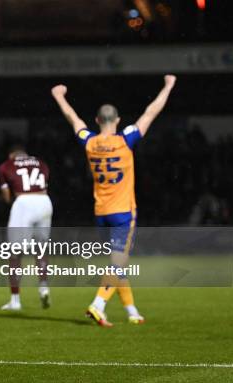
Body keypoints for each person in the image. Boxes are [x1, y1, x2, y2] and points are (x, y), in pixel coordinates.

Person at [51, 75, 176, 327]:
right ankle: (98, 304)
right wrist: (168, 86)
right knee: (118, 263)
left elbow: (72, 119)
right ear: (117, 121)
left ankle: (132, 311)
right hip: (122, 212)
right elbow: (151, 112)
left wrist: (59, 96)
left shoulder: (89, 141)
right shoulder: (126, 140)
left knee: (118, 262)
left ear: (97, 121)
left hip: (101, 212)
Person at [0, 145, 52, 311]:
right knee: (41, 249)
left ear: (12, 154)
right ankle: (43, 287)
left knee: (14, 253)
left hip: (24, 202)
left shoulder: (6, 165)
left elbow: (7, 196)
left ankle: (15, 300)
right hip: (44, 201)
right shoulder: (41, 163)